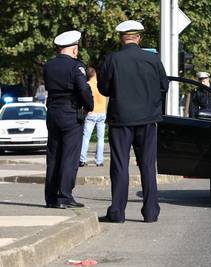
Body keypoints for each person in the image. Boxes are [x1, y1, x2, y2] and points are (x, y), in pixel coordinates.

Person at [98, 20, 169, 223]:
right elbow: (164, 86)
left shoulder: (112, 59)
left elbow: (103, 88)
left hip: (121, 119)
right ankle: (150, 212)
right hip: (147, 119)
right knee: (147, 165)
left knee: (120, 165)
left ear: (122, 38)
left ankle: (118, 212)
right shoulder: (153, 59)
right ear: (138, 38)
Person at [43, 30, 94, 209]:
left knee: (53, 155)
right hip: (70, 112)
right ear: (73, 49)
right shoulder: (76, 66)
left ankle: (50, 198)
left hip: (53, 111)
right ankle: (64, 197)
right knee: (69, 157)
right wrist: (89, 106)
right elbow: (83, 89)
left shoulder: (48, 65)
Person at [79, 67, 107, 167]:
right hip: (102, 113)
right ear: (95, 74)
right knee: (100, 138)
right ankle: (99, 161)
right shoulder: (101, 84)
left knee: (86, 137)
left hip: (91, 113)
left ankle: (82, 159)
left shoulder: (87, 85)